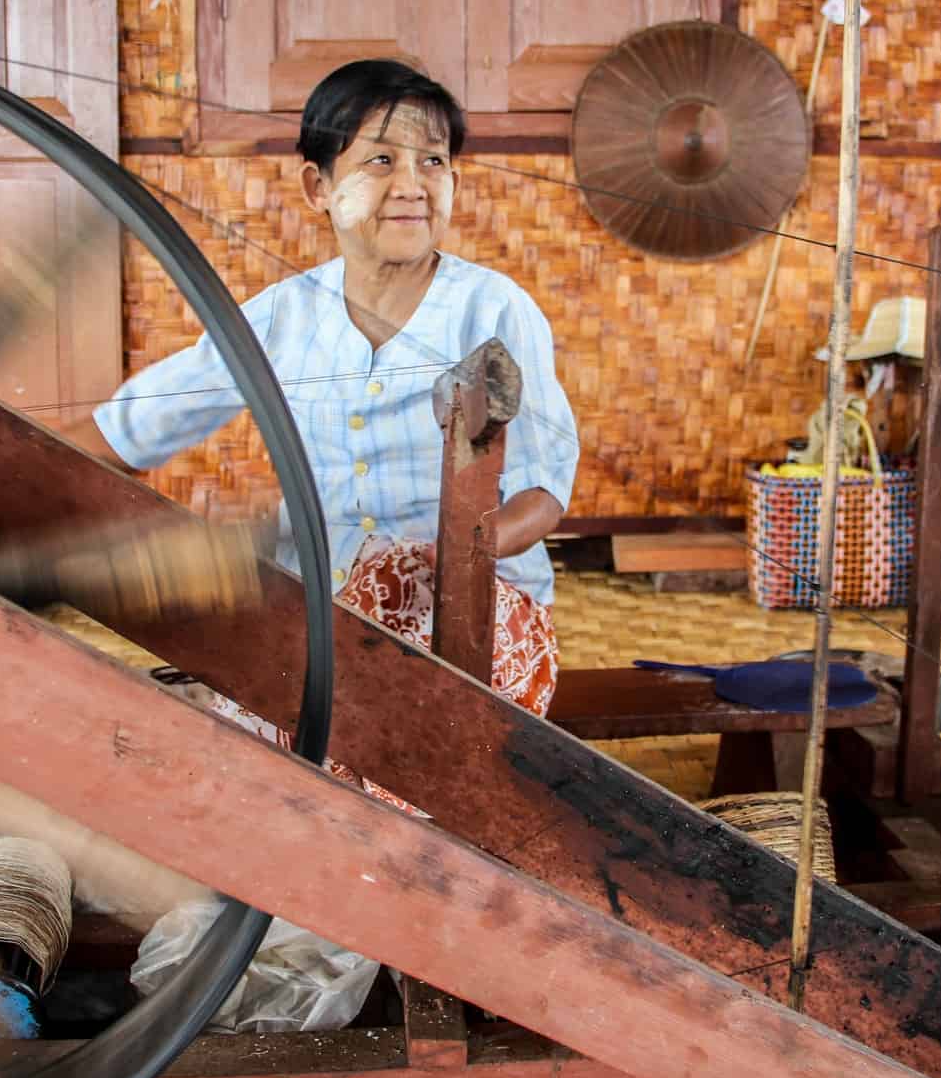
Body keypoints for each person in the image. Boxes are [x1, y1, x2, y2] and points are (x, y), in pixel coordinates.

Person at [67, 59, 579, 720]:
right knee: (242, 746)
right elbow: (132, 427)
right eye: (381, 161)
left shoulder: (494, 310)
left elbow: (544, 494)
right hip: (318, 615)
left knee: (377, 735)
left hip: (479, 624)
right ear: (319, 185)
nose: (413, 185)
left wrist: (446, 561)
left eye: (433, 161)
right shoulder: (283, 315)